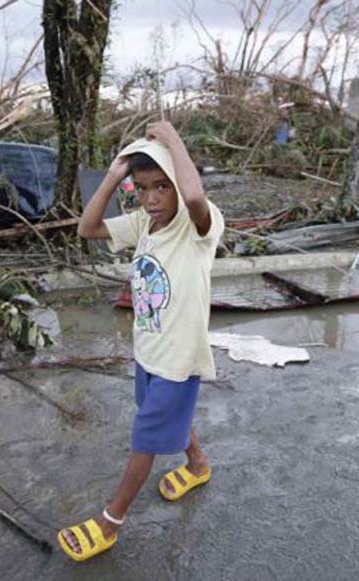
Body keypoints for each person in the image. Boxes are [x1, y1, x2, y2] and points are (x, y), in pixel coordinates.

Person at [58, 121, 224, 562]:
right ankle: (198, 465)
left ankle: (110, 523)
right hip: (148, 351)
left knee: (145, 439)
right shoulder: (142, 224)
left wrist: (173, 139)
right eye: (143, 188)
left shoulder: (198, 226)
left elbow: (192, 197)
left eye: (161, 188)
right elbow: (86, 229)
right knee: (159, 415)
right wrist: (115, 176)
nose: (151, 199)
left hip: (178, 358)